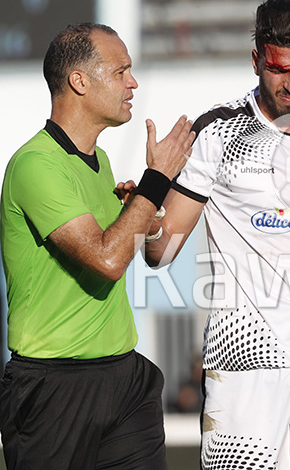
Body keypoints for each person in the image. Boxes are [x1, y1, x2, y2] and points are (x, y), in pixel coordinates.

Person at [144, 0, 290, 470]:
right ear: (256, 61)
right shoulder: (216, 132)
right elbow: (159, 252)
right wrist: (151, 193)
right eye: (278, 70)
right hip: (244, 368)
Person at [0, 23, 194, 469]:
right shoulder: (35, 164)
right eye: (121, 70)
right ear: (80, 82)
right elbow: (106, 260)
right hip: (54, 388)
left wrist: (145, 207)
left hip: (124, 378)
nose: (133, 83)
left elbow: (140, 252)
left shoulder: (100, 161)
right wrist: (156, 180)